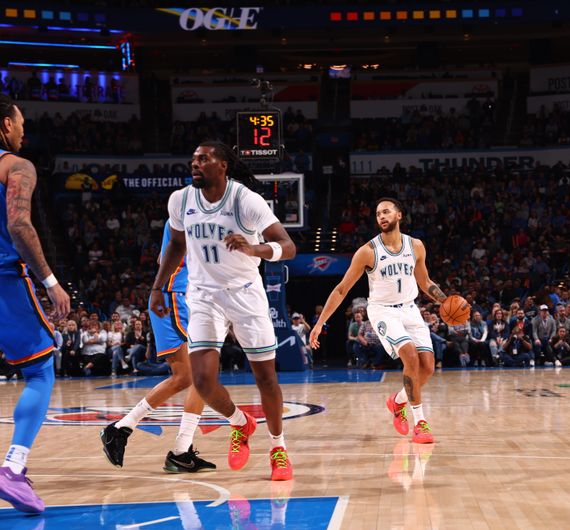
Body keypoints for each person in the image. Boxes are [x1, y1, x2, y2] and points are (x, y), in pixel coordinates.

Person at [150, 141, 297, 481]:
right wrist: (159, 286)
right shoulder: (180, 200)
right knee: (201, 380)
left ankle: (278, 448)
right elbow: (175, 244)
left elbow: (288, 247)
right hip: (203, 295)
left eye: (203, 158)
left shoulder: (245, 200)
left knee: (266, 378)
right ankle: (240, 422)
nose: (195, 164)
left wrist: (255, 248)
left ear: (222, 165)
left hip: (245, 295)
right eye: (193, 159)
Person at [309, 197, 446, 444]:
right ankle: (421, 423)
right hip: (383, 311)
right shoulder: (367, 251)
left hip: (409, 309)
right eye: (378, 214)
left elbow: (425, 282)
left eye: (386, 212)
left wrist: (445, 301)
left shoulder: (416, 246)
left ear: (399, 215)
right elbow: (341, 290)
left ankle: (398, 401)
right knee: (410, 355)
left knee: (427, 367)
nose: (381, 216)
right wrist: (320, 323)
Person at [0, 93, 71, 514]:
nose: (25, 130)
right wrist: (49, 280)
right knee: (40, 370)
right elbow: (19, 222)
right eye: (21, 123)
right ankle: (13, 466)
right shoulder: (16, 165)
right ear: (6, 125)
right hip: (4, 278)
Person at [100, 224, 215, 474]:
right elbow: (167, 256)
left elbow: (165, 256)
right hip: (174, 296)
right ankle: (130, 433)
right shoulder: (190, 208)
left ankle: (171, 448)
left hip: (181, 297)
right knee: (197, 375)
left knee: (190, 377)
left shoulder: (200, 212)